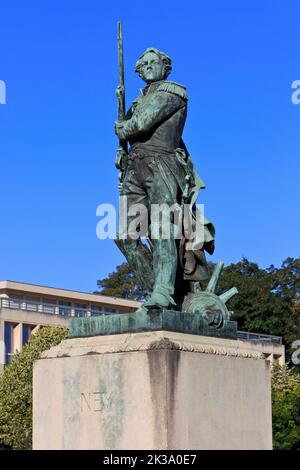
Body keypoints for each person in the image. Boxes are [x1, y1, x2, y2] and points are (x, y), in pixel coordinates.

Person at [114, 47, 214, 311]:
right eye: (142, 64)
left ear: (164, 66)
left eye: (152, 62)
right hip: (134, 167)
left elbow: (141, 124)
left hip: (162, 164)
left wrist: (122, 127)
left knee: (161, 230)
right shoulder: (137, 101)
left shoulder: (172, 92)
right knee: (127, 237)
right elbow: (130, 130)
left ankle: (163, 292)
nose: (147, 67)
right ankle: (157, 292)